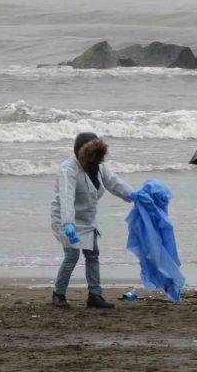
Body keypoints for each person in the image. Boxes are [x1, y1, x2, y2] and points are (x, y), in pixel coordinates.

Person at [50, 132, 134, 309]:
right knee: (72, 256)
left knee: (93, 254)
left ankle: (95, 295)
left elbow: (114, 183)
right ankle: (58, 294)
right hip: (66, 217)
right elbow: (66, 198)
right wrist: (68, 224)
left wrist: (134, 195)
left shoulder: (97, 166)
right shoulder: (68, 170)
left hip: (87, 218)